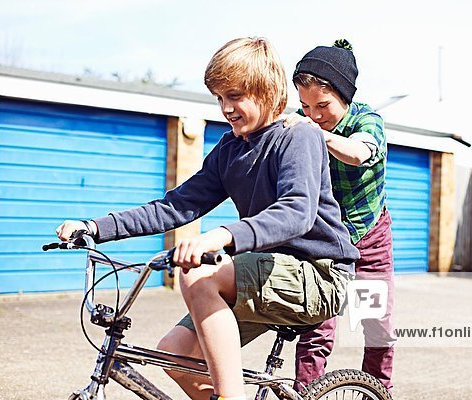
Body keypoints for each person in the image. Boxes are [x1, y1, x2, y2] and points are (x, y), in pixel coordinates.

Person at [56, 37, 359, 400]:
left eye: (234, 96)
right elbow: (176, 206)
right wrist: (94, 228)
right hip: (266, 272)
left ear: (266, 89)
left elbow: (297, 211)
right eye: (219, 98)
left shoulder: (298, 135)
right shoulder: (230, 149)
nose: (225, 108)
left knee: (198, 273)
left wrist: (220, 238)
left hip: (320, 275)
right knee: (174, 354)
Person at [284, 39, 396, 392]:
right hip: (327, 242)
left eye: (323, 105)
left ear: (344, 97)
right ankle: (305, 393)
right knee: (317, 327)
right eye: (305, 106)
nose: (314, 114)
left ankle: (378, 392)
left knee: (376, 325)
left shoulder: (367, 120)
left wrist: (316, 134)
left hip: (369, 240)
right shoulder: (304, 123)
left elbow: (359, 153)